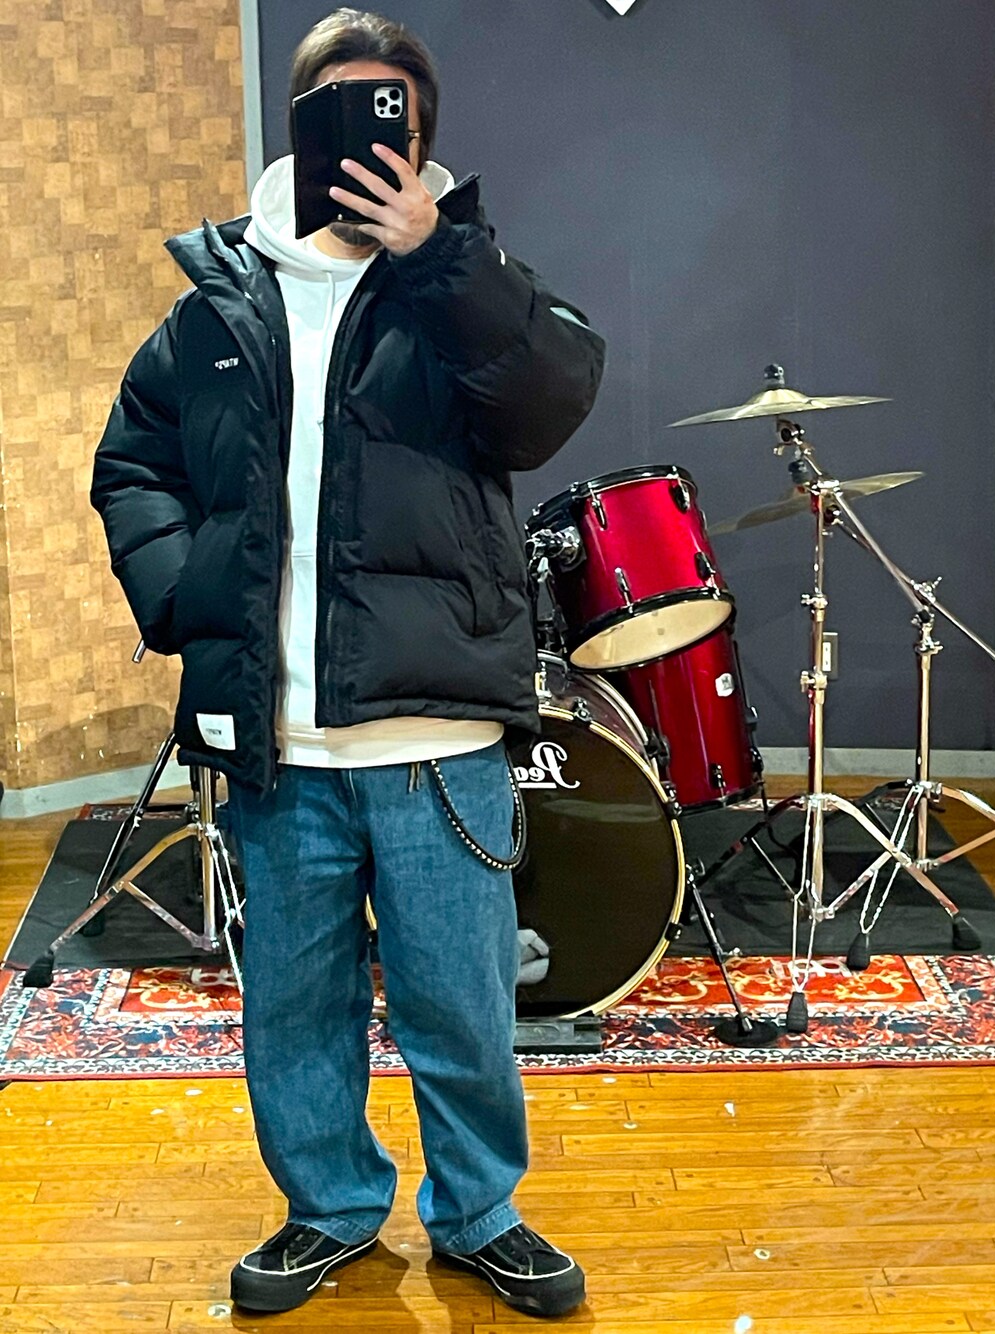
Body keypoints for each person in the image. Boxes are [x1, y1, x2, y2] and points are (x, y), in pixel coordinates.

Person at [91, 7, 604, 1320]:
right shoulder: (223, 295)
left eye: (400, 125)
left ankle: (481, 1211)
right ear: (300, 129)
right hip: (278, 739)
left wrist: (443, 256)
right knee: (293, 1008)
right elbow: (134, 459)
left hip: (437, 739)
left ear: (424, 144)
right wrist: (186, 592)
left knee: (461, 1005)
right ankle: (326, 1206)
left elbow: (551, 400)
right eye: (346, 115)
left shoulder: (466, 282)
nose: (375, 146)